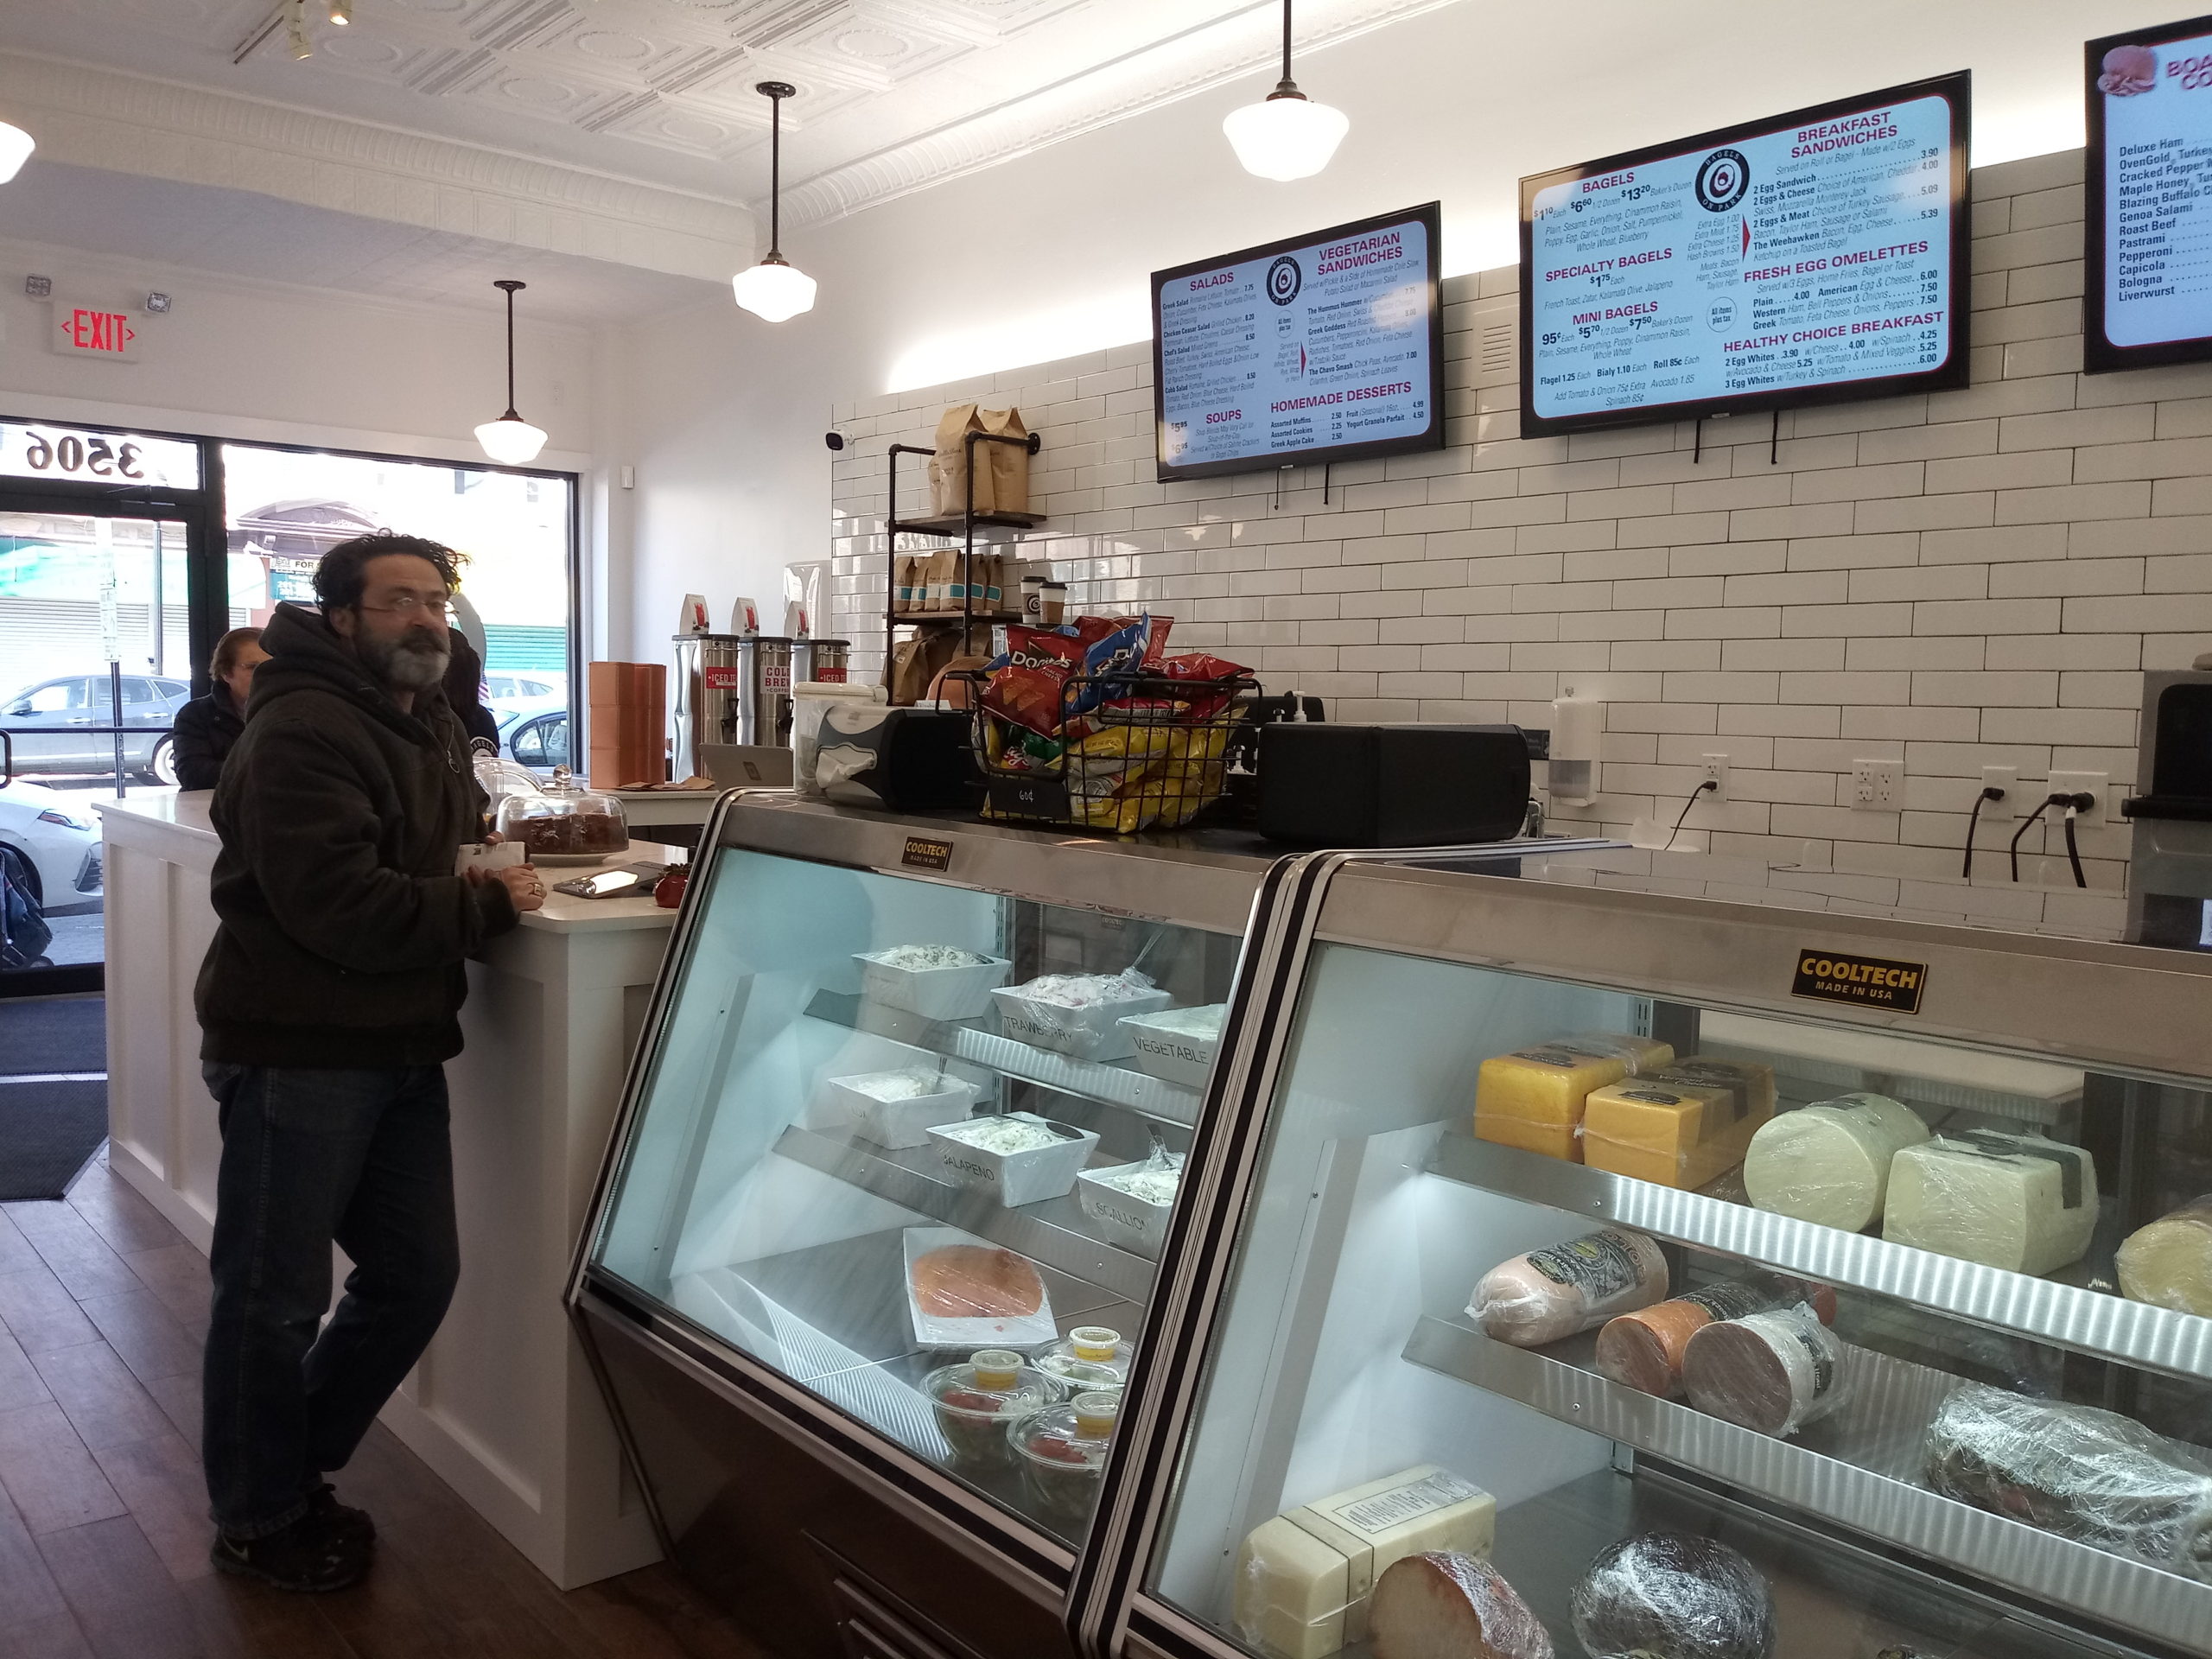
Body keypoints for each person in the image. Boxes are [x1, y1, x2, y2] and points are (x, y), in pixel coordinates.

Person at [193, 531, 546, 1591]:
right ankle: (257, 1516)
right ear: (340, 618)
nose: (426, 619)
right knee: (270, 1296)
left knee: (413, 1276)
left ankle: (282, 1469)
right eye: (398, 601)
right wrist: (480, 904)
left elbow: (438, 844)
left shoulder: (421, 717)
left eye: (435, 600)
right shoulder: (302, 727)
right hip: (298, 1052)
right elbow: (335, 904)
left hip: (396, 1044)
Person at [169, 626, 269, 790]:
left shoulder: (287, 712)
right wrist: (266, 772)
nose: (264, 674)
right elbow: (193, 774)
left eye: (269, 665)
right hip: (209, 809)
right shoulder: (195, 715)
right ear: (226, 673)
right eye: (252, 667)